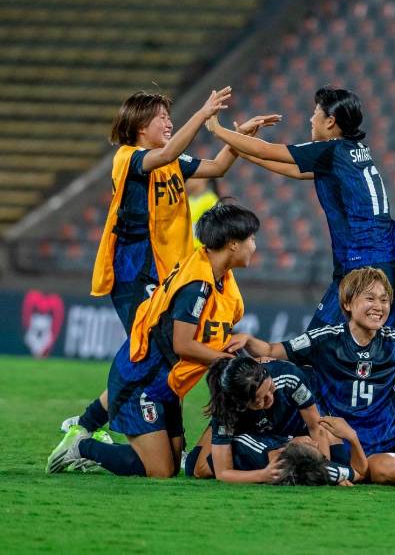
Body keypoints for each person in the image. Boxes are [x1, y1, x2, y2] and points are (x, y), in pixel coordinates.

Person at [61, 89, 275, 438]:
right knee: (153, 350)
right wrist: (204, 112)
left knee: (157, 354)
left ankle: (97, 426)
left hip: (166, 271)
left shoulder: (172, 161)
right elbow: (171, 150)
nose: (168, 121)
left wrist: (239, 137)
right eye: (161, 116)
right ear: (139, 124)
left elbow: (218, 166)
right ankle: (87, 428)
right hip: (135, 271)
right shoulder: (127, 158)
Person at [46, 203, 259, 478]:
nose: (254, 245)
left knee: (171, 464)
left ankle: (95, 436)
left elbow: (209, 332)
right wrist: (229, 361)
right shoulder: (198, 286)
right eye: (251, 239)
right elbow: (183, 345)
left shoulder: (216, 274)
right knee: (159, 470)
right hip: (141, 381)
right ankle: (83, 447)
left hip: (165, 383)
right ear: (232, 244)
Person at [203, 86, 395, 334]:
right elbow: (291, 169)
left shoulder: (331, 150)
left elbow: (267, 150)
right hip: (387, 261)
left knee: (317, 343)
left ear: (331, 122)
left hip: (361, 269)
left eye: (315, 113)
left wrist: (217, 129)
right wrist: (241, 147)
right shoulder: (352, 151)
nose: (311, 119)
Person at [223, 267, 395, 485]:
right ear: (347, 304)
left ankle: (359, 472)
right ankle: (361, 470)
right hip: (340, 441)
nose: (378, 307)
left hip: (391, 437)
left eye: (384, 300)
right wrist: (247, 339)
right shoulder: (324, 339)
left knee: (391, 471)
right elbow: (273, 350)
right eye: (370, 298)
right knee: (382, 470)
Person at [184, 355, 333, 482]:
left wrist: (326, 472)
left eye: (269, 388)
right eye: (258, 401)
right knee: (197, 469)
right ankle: (218, 430)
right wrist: (261, 475)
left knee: (325, 448)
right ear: (241, 404)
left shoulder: (290, 376)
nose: (269, 398)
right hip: (250, 429)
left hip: (283, 423)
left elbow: (316, 427)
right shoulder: (229, 408)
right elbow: (222, 473)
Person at [187, 179, 220, 249]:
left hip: (205, 249)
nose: (188, 181)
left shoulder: (212, 200)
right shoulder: (186, 201)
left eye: (191, 178)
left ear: (203, 179)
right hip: (190, 251)